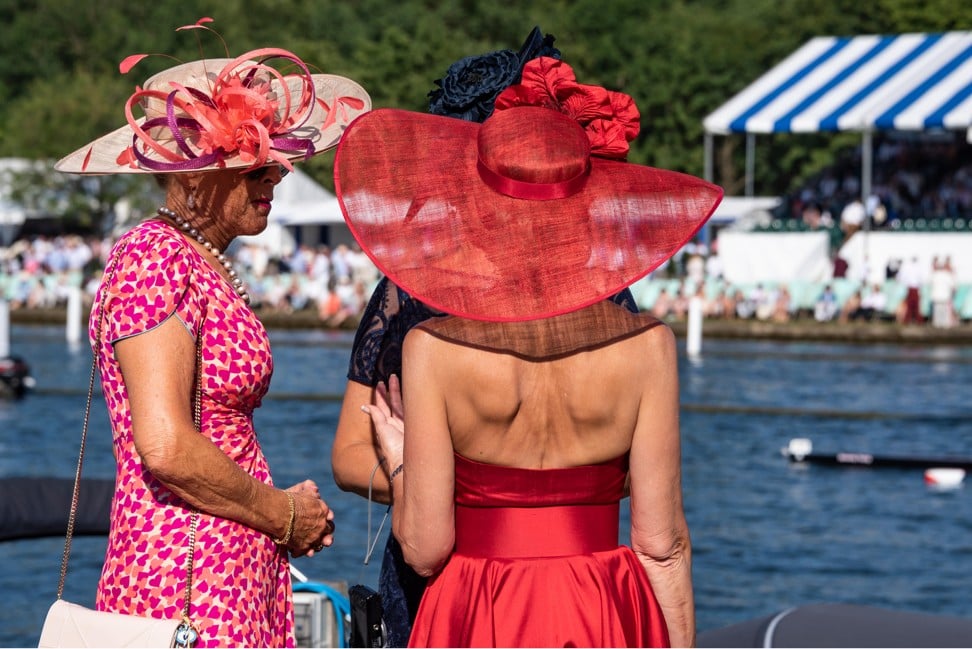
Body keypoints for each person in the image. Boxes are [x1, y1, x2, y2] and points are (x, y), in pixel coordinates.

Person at [337, 56, 723, 647]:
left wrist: (398, 457)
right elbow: (663, 547)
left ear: (482, 209)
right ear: (588, 207)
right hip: (602, 606)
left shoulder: (432, 349)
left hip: (480, 607)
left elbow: (425, 549)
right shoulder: (649, 346)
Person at [54, 19, 371, 647]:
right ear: (199, 171)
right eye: (258, 168)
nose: (275, 181)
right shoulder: (155, 258)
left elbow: (208, 434)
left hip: (221, 562)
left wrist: (275, 504)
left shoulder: (197, 259)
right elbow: (167, 447)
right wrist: (282, 514)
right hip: (187, 575)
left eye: (278, 168)